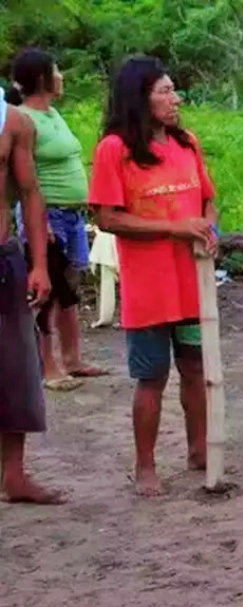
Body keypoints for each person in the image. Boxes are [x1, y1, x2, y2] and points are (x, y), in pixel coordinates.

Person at [89, 55, 218, 497]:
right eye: (164, 90)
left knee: (195, 367)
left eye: (173, 89)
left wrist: (207, 227)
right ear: (140, 98)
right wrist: (174, 228)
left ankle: (199, 449)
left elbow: (208, 201)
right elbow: (108, 218)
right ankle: (145, 465)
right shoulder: (114, 149)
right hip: (149, 289)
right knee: (151, 377)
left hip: (192, 282)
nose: (174, 98)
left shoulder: (187, 143)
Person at [9, 48, 107, 392]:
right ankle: (47, 366)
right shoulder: (22, 119)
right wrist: (41, 224)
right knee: (47, 292)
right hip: (47, 215)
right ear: (41, 78)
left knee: (70, 289)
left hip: (73, 215)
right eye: (56, 71)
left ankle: (72, 358)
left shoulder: (52, 114)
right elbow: (26, 179)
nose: (62, 76)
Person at [0, 84, 64, 504]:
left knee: (15, 366)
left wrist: (39, 264)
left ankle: (14, 476)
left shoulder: (12, 121)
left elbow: (30, 191)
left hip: (2, 255)